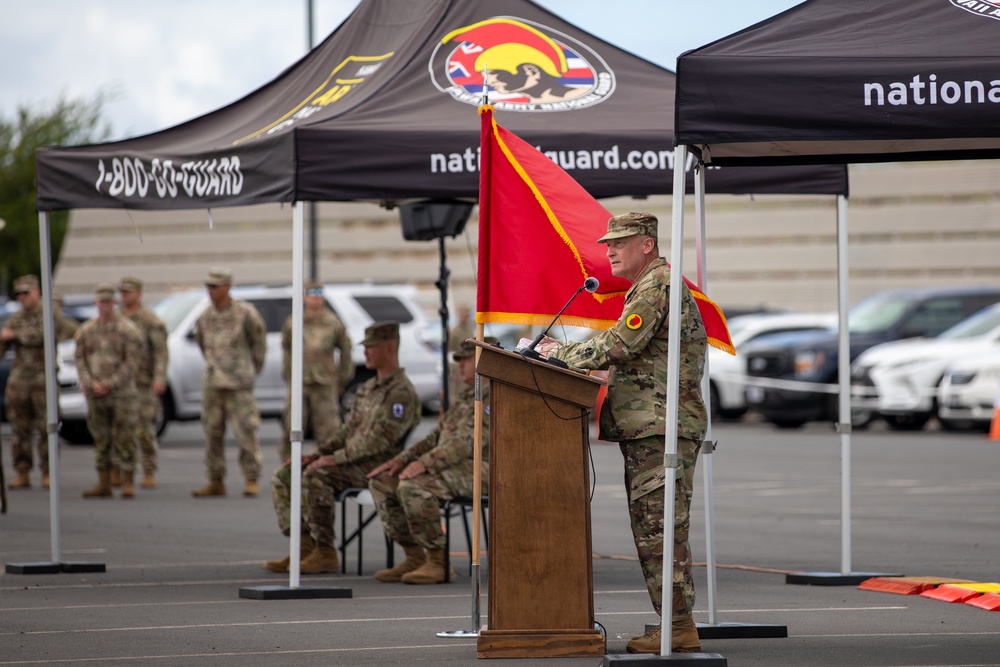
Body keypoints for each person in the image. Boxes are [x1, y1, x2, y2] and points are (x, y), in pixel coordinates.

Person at [540, 212, 708, 654]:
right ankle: (674, 621)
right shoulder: (651, 285)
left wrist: (562, 355)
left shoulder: (657, 285)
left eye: (620, 242)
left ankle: (677, 626)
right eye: (608, 243)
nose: (609, 250)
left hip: (661, 427)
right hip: (652, 426)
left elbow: (620, 344)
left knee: (660, 528)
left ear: (646, 245)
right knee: (655, 526)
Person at [264, 322, 420, 575]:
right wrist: (318, 454)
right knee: (287, 475)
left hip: (378, 465)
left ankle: (325, 551)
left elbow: (378, 441)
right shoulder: (368, 389)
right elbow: (347, 431)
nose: (366, 353)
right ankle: (304, 546)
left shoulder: (400, 392)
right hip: (353, 461)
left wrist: (332, 460)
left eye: (371, 347)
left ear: (389, 348)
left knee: (317, 475)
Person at [367, 337, 492, 585]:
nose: (460, 365)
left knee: (415, 486)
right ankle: (415, 555)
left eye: (466, 359)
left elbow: (467, 443)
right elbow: (436, 437)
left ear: (483, 362)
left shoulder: (493, 398)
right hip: (456, 466)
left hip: (486, 470)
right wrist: (401, 461)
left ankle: (438, 562)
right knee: (383, 481)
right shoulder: (469, 397)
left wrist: (424, 464)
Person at [192, 268, 266, 498]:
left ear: (228, 286)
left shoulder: (245, 313)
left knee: (246, 432)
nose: (211, 291)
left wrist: (249, 370)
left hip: (238, 384)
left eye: (215, 287)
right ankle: (216, 479)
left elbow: (259, 344)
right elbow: (202, 343)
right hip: (214, 384)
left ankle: (251, 478)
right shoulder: (205, 316)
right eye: (208, 287)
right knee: (212, 433)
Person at [0, 275, 78, 490]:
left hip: (43, 380)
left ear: (36, 292)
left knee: (48, 427)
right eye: (19, 294)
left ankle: (48, 472)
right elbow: (4, 343)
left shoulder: (49, 313)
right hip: (19, 381)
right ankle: (22, 471)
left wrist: (14, 335)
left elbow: (42, 335)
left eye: (26, 293)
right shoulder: (16, 317)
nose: (23, 298)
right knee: (19, 428)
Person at [74, 283, 143, 498]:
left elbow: (131, 362)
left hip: (122, 393)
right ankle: (103, 482)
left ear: (115, 303)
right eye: (101, 302)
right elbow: (80, 360)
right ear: (96, 303)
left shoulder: (128, 330)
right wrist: (89, 382)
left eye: (109, 302)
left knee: (125, 437)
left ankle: (127, 481)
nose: (105, 306)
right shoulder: (86, 330)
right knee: (101, 438)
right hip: (95, 392)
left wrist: (110, 384)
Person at [278, 281, 354, 461]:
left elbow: (346, 349)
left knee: (328, 431)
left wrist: (342, 378)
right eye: (312, 294)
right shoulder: (295, 321)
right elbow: (287, 349)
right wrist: (289, 376)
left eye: (319, 294)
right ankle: (289, 470)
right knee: (292, 426)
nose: (316, 298)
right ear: (304, 297)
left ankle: (325, 469)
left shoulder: (332, 322)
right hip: (300, 382)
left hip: (324, 383)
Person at [119, 276, 168, 490]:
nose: (124, 296)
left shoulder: (150, 320)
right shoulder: (117, 318)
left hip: (143, 383)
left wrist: (159, 378)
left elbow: (160, 351)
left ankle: (148, 470)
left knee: (144, 429)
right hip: (121, 383)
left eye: (128, 292)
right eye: (122, 292)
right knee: (120, 429)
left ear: (138, 293)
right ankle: (121, 470)